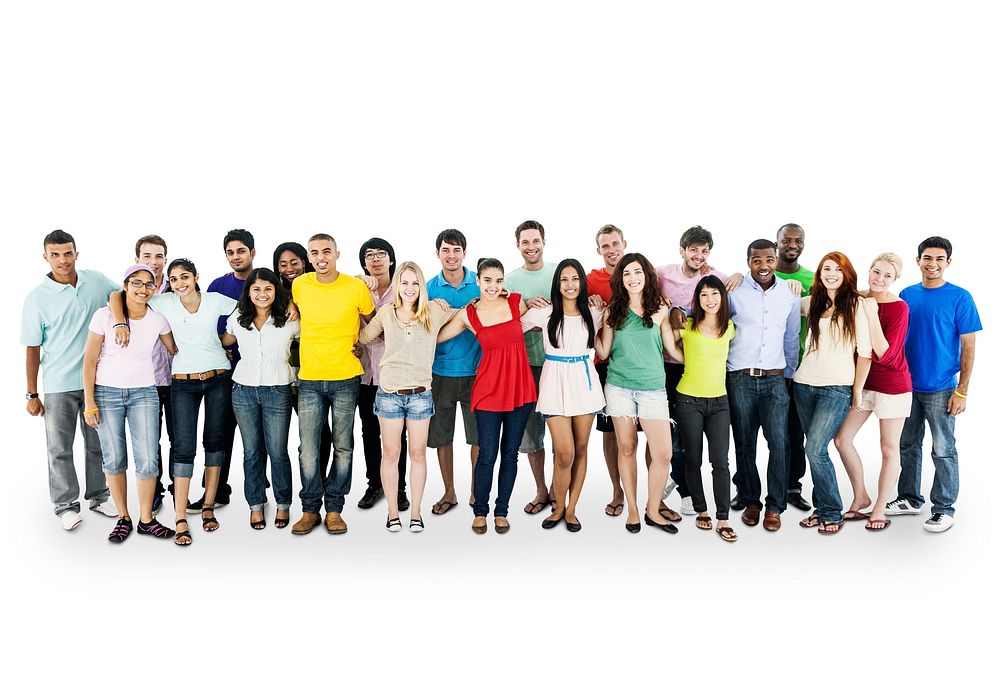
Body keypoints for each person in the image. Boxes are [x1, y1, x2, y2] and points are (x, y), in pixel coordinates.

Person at [110, 258, 239, 545]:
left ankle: (207, 505)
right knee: (183, 447)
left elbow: (249, 307)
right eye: (175, 278)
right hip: (182, 381)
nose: (180, 282)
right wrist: (119, 320)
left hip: (219, 377)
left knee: (215, 441)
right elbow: (119, 295)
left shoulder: (216, 300)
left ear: (196, 277)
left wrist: (226, 339)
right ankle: (180, 515)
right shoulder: (164, 301)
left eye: (185, 277)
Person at [22, 230, 119, 530]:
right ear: (45, 257)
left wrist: (117, 320)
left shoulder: (96, 281)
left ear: (77, 253)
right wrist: (31, 394)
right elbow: (32, 348)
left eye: (67, 253)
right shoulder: (36, 299)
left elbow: (119, 295)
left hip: (97, 381)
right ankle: (65, 505)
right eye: (55, 254)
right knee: (59, 448)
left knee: (98, 444)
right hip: (58, 385)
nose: (62, 260)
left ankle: (99, 496)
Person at [886, 236, 981, 533]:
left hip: (941, 387)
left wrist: (962, 390)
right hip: (906, 385)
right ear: (918, 261)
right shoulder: (906, 294)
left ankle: (944, 508)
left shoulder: (960, 297)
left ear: (948, 263)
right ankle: (910, 499)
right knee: (907, 445)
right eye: (928, 258)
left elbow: (968, 347)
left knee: (943, 449)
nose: (933, 264)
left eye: (940, 259)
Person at [357, 261, 460, 532]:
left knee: (417, 454)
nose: (410, 287)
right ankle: (392, 513)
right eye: (404, 282)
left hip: (420, 395)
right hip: (389, 394)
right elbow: (364, 336)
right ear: (396, 286)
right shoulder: (386, 312)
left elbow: (464, 317)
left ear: (422, 286)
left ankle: (415, 513)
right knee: (390, 454)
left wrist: (437, 336)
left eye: (415, 282)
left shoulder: (434, 310)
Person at [437, 258, 537, 534]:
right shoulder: (468, 314)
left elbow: (542, 317)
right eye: (488, 280)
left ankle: (502, 511)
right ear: (478, 281)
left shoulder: (517, 302)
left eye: (499, 280)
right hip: (488, 390)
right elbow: (436, 337)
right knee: (487, 455)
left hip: (520, 389)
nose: (493, 286)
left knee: (510, 455)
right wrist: (434, 310)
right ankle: (480, 510)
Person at [82, 264, 177, 542]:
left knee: (148, 459)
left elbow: (174, 350)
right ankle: (124, 517)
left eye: (149, 284)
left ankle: (146, 519)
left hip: (144, 394)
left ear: (155, 288)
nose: (143, 289)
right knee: (114, 458)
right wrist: (90, 401)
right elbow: (89, 361)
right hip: (106, 393)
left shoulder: (158, 319)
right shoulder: (104, 316)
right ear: (126, 285)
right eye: (137, 283)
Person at [290, 234, 376, 536]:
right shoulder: (299, 286)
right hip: (310, 379)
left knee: (343, 446)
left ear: (337, 254)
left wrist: (362, 344)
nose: (321, 257)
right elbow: (294, 313)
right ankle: (310, 509)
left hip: (345, 377)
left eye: (326, 251)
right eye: (314, 252)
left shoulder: (356, 287)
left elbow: (373, 322)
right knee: (308, 450)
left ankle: (335, 509)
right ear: (309, 258)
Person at [594, 252, 677, 535]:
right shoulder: (612, 312)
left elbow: (672, 349)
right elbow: (603, 351)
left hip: (653, 387)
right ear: (621, 279)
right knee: (627, 448)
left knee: (663, 454)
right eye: (627, 273)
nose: (632, 278)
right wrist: (592, 323)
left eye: (637, 272)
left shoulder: (661, 309)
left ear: (647, 276)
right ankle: (632, 509)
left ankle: (653, 509)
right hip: (619, 387)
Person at [521, 258, 604, 532]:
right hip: (554, 382)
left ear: (582, 282)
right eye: (564, 279)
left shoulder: (593, 312)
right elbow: (512, 325)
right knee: (565, 453)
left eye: (575, 279)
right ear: (557, 283)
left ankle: (571, 509)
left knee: (581, 449)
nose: (570, 285)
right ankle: (557, 507)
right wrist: (522, 302)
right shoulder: (545, 313)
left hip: (584, 382)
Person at [795, 252, 873, 535]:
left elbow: (865, 354)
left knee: (815, 448)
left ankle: (831, 511)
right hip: (803, 384)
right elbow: (776, 304)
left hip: (836, 387)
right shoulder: (810, 303)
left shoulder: (857, 304)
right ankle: (821, 507)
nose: (831, 274)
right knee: (816, 450)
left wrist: (857, 391)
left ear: (847, 274)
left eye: (837, 270)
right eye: (826, 269)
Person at [656, 225, 731, 517]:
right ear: (682, 251)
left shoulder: (717, 279)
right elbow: (643, 280)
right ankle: (682, 485)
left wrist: (736, 276)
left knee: (694, 440)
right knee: (672, 433)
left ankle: (683, 485)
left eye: (704, 251)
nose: (699, 256)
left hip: (702, 369)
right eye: (693, 250)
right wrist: (669, 306)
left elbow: (733, 293)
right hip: (668, 364)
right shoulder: (664, 272)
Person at [832, 253, 911, 531]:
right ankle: (861, 495)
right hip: (862, 382)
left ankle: (879, 509)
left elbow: (884, 353)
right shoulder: (856, 297)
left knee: (889, 448)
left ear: (895, 279)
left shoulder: (899, 307)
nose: (879, 279)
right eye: (876, 272)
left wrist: (871, 312)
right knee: (842, 439)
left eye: (887, 276)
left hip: (893, 385)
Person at [726, 239, 800, 531]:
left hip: (775, 380)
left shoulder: (789, 294)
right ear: (748, 262)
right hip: (740, 378)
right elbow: (711, 315)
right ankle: (751, 501)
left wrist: (789, 376)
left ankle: (774, 506)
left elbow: (791, 338)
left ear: (776, 260)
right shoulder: (734, 291)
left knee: (779, 444)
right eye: (757, 261)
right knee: (744, 443)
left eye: (769, 260)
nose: (763, 266)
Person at [662, 275, 738, 542]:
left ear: (722, 297)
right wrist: (687, 359)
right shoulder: (688, 325)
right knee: (693, 458)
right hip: (688, 401)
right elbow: (667, 342)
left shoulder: (729, 327)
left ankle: (723, 517)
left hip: (720, 403)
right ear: (697, 299)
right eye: (704, 295)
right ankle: (701, 509)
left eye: (715, 294)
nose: (710, 300)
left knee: (721, 462)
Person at [222, 268, 299, 530]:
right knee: (252, 452)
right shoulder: (239, 317)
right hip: (243, 390)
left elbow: (310, 341)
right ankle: (256, 504)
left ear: (276, 291)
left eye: (268, 288)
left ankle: (283, 503)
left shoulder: (289, 319)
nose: (262, 294)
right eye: (256, 289)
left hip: (278, 390)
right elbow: (226, 340)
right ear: (249, 292)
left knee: (278, 452)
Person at [188, 228, 257, 511]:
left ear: (253, 252)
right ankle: (215, 491)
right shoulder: (217, 285)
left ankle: (260, 489)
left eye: (241, 251)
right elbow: (207, 324)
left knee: (260, 437)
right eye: (230, 252)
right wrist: (221, 348)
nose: (235, 256)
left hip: (261, 370)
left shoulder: (265, 281)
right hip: (226, 371)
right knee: (220, 431)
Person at [426, 229, 482, 516]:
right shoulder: (428, 288)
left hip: (477, 372)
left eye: (456, 250)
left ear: (464, 252)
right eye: (445, 250)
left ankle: (476, 491)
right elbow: (421, 330)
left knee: (477, 438)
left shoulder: (480, 283)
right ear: (438, 253)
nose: (451, 255)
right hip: (440, 373)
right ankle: (449, 491)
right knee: (442, 436)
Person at [504, 220, 557, 515]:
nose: (531, 247)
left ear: (544, 242)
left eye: (535, 241)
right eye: (525, 242)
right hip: (524, 367)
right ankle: (541, 489)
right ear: (518, 246)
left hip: (557, 365)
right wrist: (525, 308)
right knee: (531, 433)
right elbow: (504, 322)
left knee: (559, 432)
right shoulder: (510, 281)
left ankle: (558, 490)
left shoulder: (558, 274)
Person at [355, 238, 409, 512]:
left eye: (381, 254)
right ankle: (374, 484)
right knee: (368, 432)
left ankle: (398, 489)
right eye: (369, 255)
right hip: (364, 374)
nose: (375, 259)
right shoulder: (354, 289)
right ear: (364, 262)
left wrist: (369, 317)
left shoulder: (404, 291)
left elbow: (399, 331)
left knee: (397, 435)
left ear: (391, 260)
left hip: (394, 376)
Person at [272, 241, 332, 478]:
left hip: (314, 369)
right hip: (282, 373)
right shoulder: (272, 291)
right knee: (280, 435)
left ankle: (321, 479)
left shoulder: (317, 286)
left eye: (294, 262)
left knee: (318, 431)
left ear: (305, 261)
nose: (289, 268)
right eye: (283, 264)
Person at [586, 224, 627, 517]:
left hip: (641, 363)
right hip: (604, 364)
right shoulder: (591, 280)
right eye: (605, 246)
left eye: (615, 244)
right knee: (610, 431)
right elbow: (564, 293)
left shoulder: (640, 271)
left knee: (647, 430)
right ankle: (617, 490)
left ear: (624, 244)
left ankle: (651, 492)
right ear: (598, 250)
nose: (611, 250)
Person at [774, 223, 813, 512]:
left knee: (793, 433)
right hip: (764, 367)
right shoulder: (760, 272)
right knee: (750, 433)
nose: (792, 244)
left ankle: (792, 487)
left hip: (799, 366)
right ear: (777, 242)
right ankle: (745, 487)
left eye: (797, 240)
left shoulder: (812, 278)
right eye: (786, 239)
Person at [134, 234, 175, 513]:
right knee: (149, 441)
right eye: (147, 256)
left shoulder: (179, 286)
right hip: (143, 380)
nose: (154, 262)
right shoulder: (132, 290)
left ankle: (178, 487)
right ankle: (155, 489)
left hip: (176, 378)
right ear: (137, 259)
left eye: (158, 256)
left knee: (179, 438)